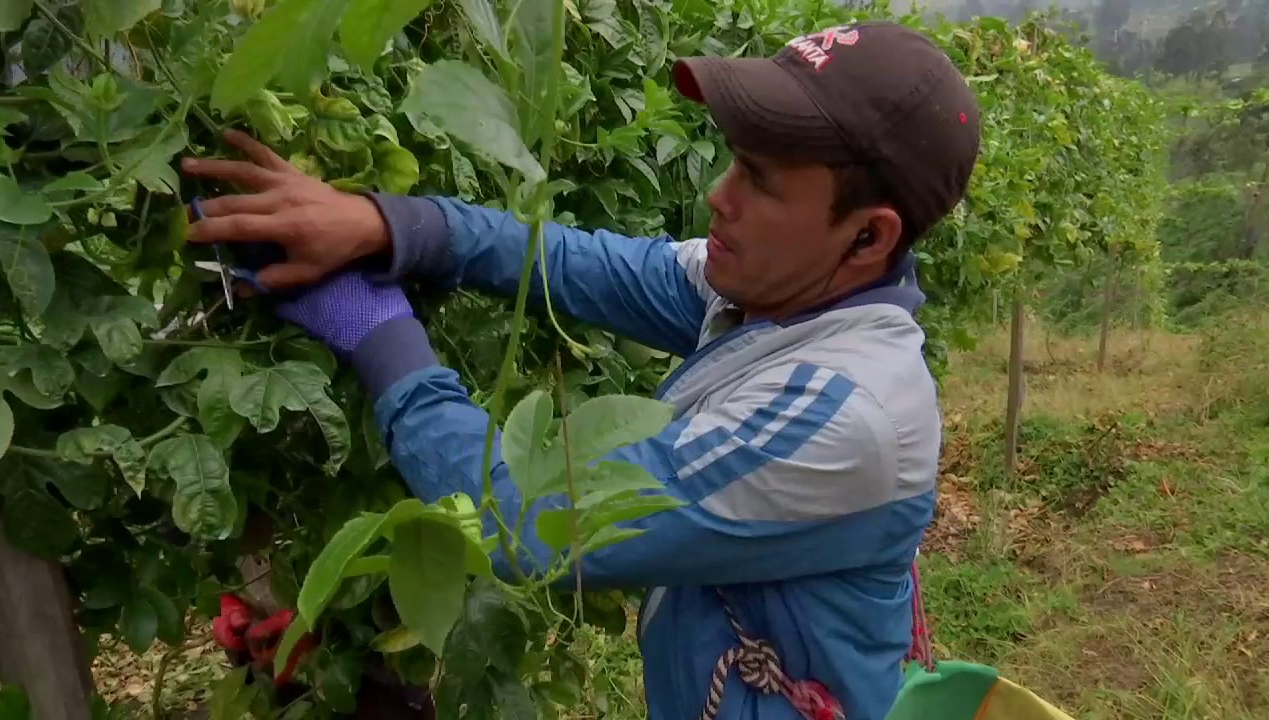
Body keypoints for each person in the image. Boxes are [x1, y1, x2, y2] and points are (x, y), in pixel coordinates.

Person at [183, 20, 980, 720]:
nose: (717, 195)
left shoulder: (842, 415)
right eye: (733, 162)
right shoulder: (782, 289)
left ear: (869, 239)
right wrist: (391, 225)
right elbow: (585, 266)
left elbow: (527, 524)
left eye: (760, 182)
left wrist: (374, 327)